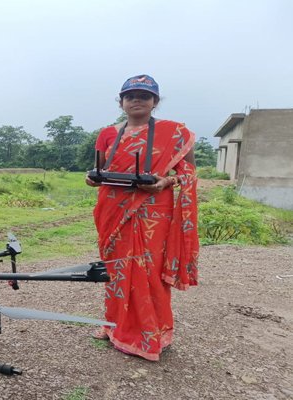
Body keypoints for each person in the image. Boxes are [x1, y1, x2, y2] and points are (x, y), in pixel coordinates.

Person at [85, 74, 199, 361]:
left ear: (155, 101)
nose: (137, 100)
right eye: (130, 96)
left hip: (153, 211)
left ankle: (152, 333)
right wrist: (92, 178)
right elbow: (100, 170)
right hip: (113, 210)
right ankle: (113, 325)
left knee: (149, 270)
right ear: (121, 102)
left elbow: (187, 173)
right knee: (116, 269)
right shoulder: (107, 134)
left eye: (144, 96)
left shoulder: (175, 132)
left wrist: (165, 182)